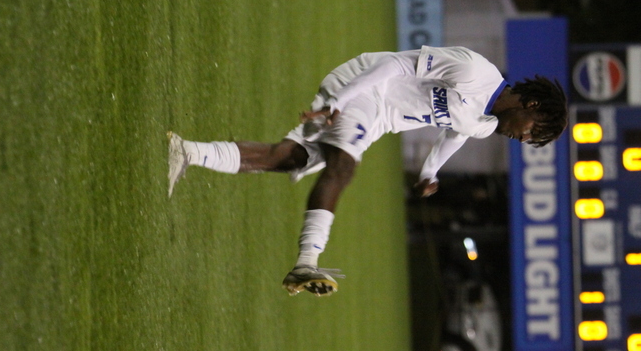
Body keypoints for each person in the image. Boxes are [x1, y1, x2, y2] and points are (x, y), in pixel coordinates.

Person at [167, 46, 568, 297]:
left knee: (289, 157)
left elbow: (456, 135)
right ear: (530, 106)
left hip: (377, 121)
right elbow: (396, 65)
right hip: (363, 89)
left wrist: (430, 171)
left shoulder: (486, 124)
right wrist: (340, 100)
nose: (522, 138)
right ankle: (307, 260)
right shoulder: (475, 71)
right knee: (342, 169)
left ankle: (184, 152)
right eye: (532, 132)